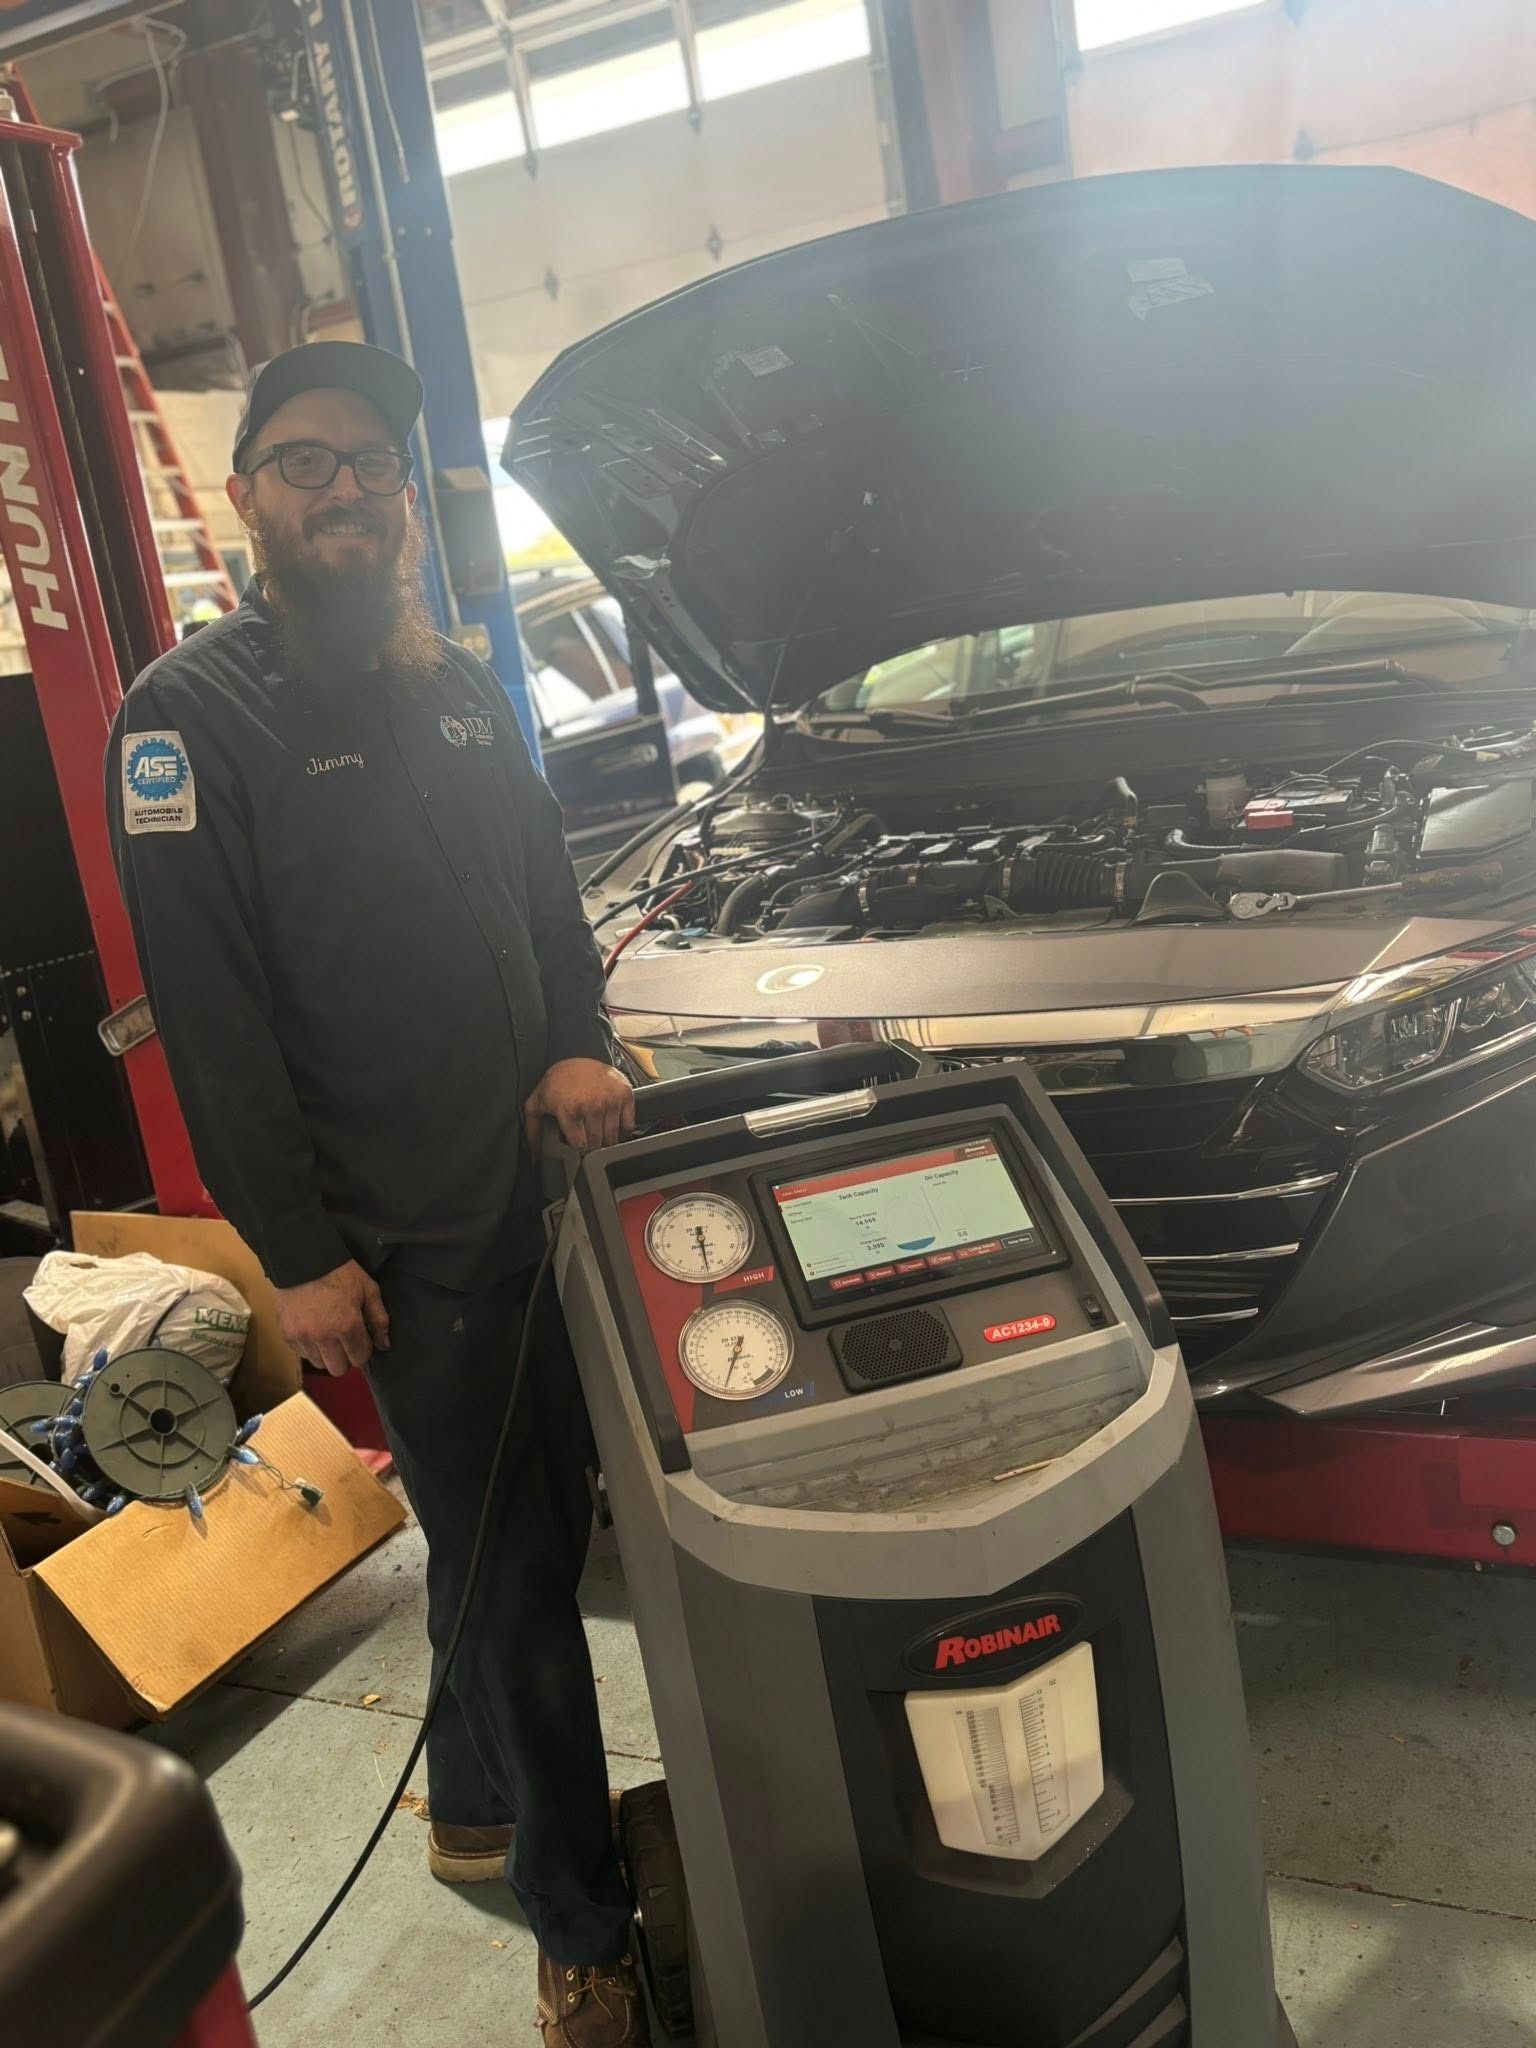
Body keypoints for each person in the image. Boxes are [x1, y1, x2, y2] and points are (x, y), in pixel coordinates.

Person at [106, 341, 648, 2047]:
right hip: (402, 1243)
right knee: (519, 1582)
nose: (344, 488)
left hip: (536, 1195)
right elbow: (212, 1017)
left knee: (518, 1531)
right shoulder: (187, 717)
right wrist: (297, 1255)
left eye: (371, 465)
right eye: (306, 461)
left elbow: (544, 885)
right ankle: (585, 1928)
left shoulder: (454, 681)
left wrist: (574, 1041)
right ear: (248, 496)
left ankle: (473, 1804)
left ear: (404, 500)